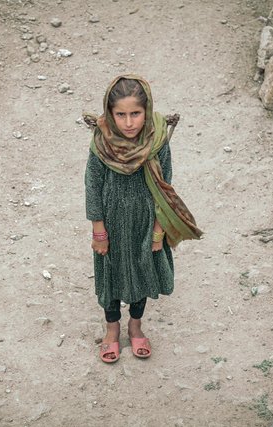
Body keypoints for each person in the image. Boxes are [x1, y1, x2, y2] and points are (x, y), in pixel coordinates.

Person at [83, 74, 202, 363]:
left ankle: (135, 326)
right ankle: (112, 330)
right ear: (110, 114)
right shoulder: (102, 143)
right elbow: (92, 185)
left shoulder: (157, 140)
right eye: (120, 114)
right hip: (111, 222)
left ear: (146, 112)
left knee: (142, 271)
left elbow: (166, 186)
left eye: (135, 113)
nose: (128, 122)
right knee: (110, 274)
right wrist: (99, 229)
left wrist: (159, 230)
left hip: (145, 221)